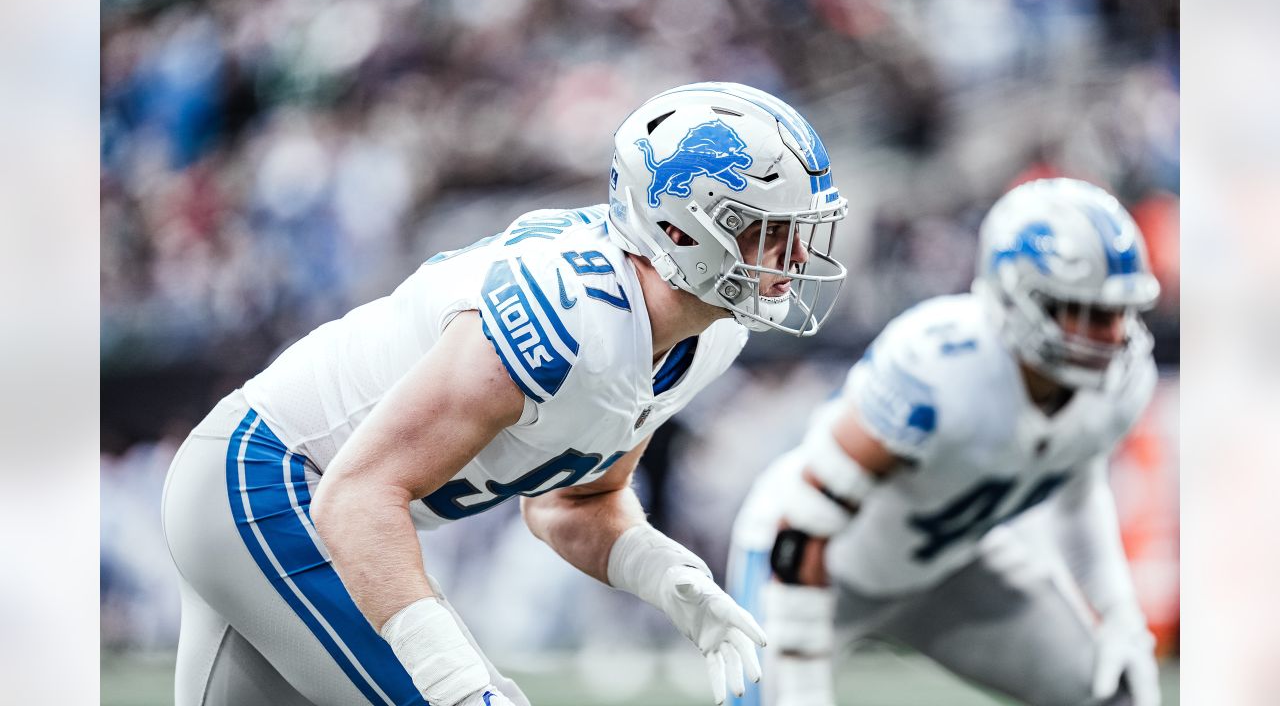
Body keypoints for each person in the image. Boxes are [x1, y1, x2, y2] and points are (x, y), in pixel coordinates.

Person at [161, 82, 850, 706]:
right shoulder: (565, 314)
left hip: (289, 493)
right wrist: (457, 687)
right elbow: (356, 496)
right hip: (268, 481)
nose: (791, 259)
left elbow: (572, 502)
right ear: (679, 229)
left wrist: (668, 576)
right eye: (768, 230)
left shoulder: (706, 333)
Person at [728, 178, 1164, 706]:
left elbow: (1078, 501)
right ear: (1018, 297)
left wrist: (1118, 614)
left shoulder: (1120, 383)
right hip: (817, 565)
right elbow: (807, 518)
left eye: (1118, 314)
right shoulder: (941, 365)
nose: (1112, 337)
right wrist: (798, 674)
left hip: (950, 569)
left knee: (1115, 693)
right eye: (1084, 312)